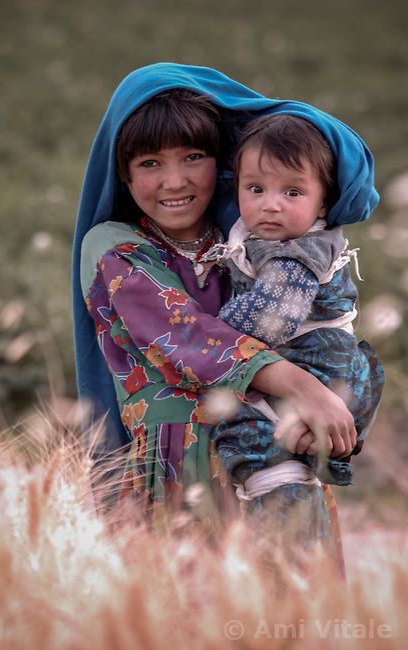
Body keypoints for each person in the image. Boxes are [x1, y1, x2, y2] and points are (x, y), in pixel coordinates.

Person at [72, 63, 377, 548]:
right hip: (180, 471)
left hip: (275, 458)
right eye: (149, 163)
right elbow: (185, 335)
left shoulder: (252, 242)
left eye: (194, 156)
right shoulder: (114, 247)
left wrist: (322, 408)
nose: (174, 181)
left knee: (288, 610)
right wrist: (304, 388)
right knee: (194, 614)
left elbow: (336, 155)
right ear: (123, 176)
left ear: (224, 161)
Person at [213, 114, 384, 498]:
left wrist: (212, 330)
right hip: (320, 366)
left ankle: (274, 488)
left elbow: (273, 318)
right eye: (255, 188)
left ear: (324, 199)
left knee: (243, 431)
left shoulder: (297, 253)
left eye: (292, 193)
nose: (271, 205)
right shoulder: (265, 236)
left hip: (317, 366)